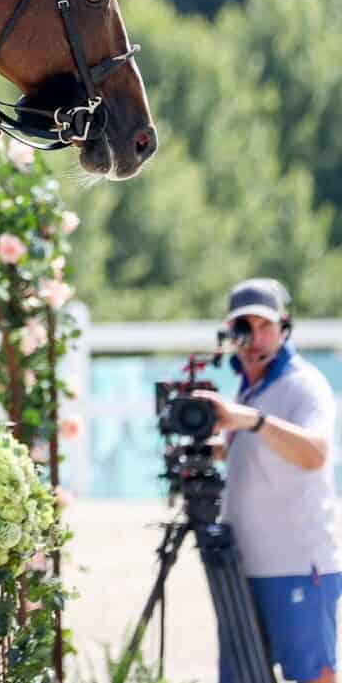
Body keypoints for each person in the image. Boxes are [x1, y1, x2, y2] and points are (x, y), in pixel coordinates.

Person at [196, 278, 341, 683]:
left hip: (297, 563)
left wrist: (252, 421)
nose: (255, 338)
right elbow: (257, 455)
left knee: (311, 675)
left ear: (284, 327)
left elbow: (314, 453)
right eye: (245, 327)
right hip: (245, 563)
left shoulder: (302, 384)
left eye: (265, 326)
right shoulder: (248, 389)